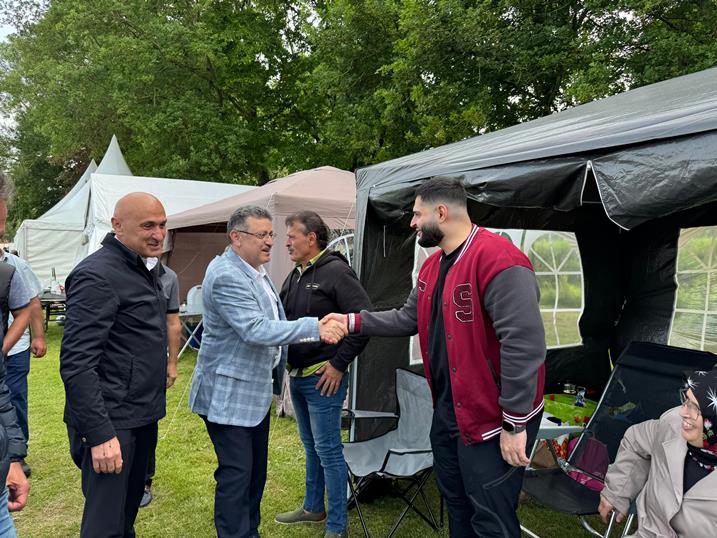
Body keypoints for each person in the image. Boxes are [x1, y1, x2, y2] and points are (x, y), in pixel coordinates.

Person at [325, 177, 546, 538]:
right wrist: (352, 321)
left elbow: (524, 346)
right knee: (456, 503)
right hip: (447, 414)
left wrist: (515, 423)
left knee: (491, 516)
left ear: (441, 212)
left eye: (417, 214)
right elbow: (407, 318)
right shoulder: (432, 267)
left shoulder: (499, 260)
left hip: (491, 420)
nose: (412, 222)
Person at [188, 206, 347, 538]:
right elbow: (255, 329)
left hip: (253, 395)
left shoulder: (253, 269)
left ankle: (250, 532)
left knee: (253, 475)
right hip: (229, 397)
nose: (271, 242)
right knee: (237, 476)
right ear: (236, 237)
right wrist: (315, 328)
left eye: (270, 234)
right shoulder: (227, 274)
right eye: (261, 235)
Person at [60, 192, 170, 537]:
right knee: (104, 525)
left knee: (125, 518)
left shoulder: (142, 267)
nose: (158, 234)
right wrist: (100, 434)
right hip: (112, 421)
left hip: (140, 415)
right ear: (117, 226)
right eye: (148, 225)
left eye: (163, 225)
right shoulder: (97, 275)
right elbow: (77, 363)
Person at [274, 211, 371, 538]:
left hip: (323, 378)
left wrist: (339, 364)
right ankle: (313, 507)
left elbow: (364, 321)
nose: (287, 242)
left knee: (328, 450)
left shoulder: (336, 272)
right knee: (311, 445)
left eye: (292, 236)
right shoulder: (295, 274)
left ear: (311, 238)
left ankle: (337, 527)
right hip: (298, 376)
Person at [599, 368, 717, 538]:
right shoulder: (673, 424)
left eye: (695, 408)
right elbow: (635, 441)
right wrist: (616, 492)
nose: (683, 412)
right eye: (686, 400)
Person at [0, 173, 32, 536]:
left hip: (17, 354)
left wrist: (12, 459)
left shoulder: (10, 271)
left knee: (17, 396)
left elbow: (28, 307)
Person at [1, 249, 47, 478]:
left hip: (16, 349)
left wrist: (38, 337)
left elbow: (33, 303)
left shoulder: (17, 265)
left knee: (15, 398)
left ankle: (17, 455)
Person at [140, 262, 181, 508]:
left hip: (153, 365)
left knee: (148, 424)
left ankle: (144, 480)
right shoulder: (117, 270)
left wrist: (172, 362)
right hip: (120, 365)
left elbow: (173, 322)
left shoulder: (169, 277)